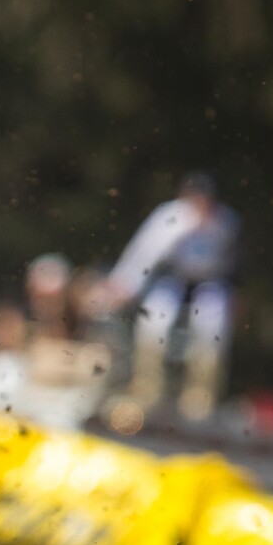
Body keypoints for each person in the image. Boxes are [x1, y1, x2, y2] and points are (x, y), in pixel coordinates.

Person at [102, 171, 240, 420]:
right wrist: (124, 283)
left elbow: (234, 264)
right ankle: (147, 387)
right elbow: (144, 253)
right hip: (173, 280)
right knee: (154, 321)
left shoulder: (225, 222)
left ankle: (200, 397)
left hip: (209, 284)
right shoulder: (170, 217)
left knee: (213, 328)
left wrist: (236, 294)